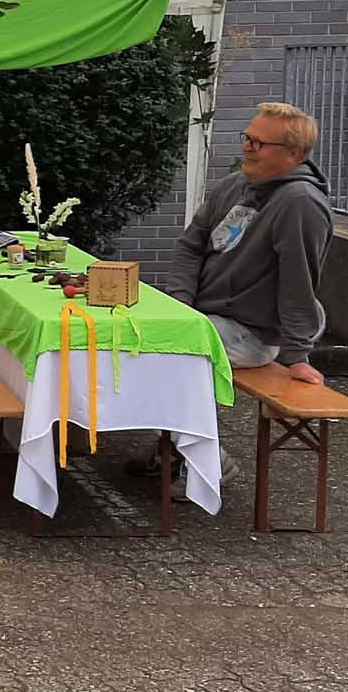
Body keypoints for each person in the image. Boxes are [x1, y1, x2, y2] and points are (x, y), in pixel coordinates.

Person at [127, 101, 333, 483]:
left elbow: (298, 280)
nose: (247, 148)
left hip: (251, 332)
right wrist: (181, 308)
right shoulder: (237, 183)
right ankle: (173, 450)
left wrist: (297, 355)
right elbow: (191, 245)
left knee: (150, 357)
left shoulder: (299, 203)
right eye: (247, 138)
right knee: (131, 337)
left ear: (293, 154)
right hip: (206, 318)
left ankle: (208, 460)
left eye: (259, 143)